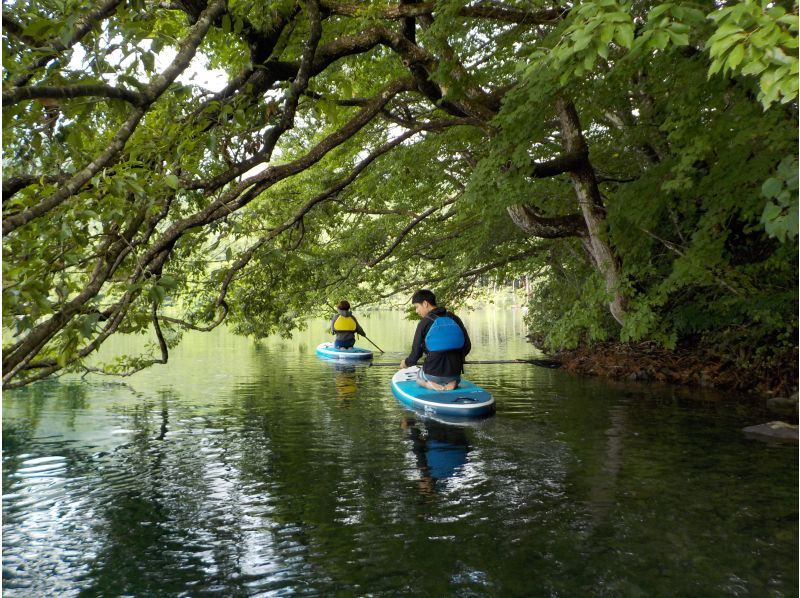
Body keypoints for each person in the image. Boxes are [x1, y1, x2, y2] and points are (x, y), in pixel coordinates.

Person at [399, 289, 471, 391]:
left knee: (419, 378)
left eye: (417, 307)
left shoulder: (424, 322)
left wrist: (406, 363)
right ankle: (453, 382)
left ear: (425, 303)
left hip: (432, 372)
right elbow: (467, 346)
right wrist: (456, 359)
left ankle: (430, 384)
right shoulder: (455, 318)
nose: (416, 311)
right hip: (455, 372)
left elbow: (416, 353)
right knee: (453, 376)